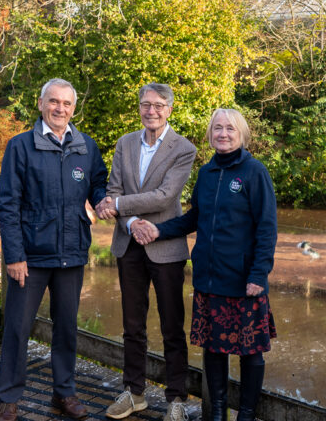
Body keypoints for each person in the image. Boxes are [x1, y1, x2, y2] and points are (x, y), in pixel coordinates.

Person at [134, 108, 277, 421]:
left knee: (251, 352)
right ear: (210, 134)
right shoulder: (207, 173)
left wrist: (258, 273)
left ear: (242, 134)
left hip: (244, 281)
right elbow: (193, 218)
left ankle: (247, 415)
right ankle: (216, 414)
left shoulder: (255, 172)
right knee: (214, 351)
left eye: (229, 129)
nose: (223, 134)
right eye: (217, 128)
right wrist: (159, 229)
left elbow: (267, 228)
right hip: (209, 279)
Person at [0, 78, 108, 421]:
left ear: (74, 109)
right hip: (31, 256)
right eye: (54, 102)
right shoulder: (21, 146)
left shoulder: (86, 147)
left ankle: (64, 394)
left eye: (67, 104)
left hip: (72, 253)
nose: (60, 109)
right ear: (41, 104)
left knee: (66, 328)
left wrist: (102, 202)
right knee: (17, 327)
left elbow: (98, 184)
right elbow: (8, 204)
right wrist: (14, 255)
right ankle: (9, 398)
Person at [95, 83, 197, 421]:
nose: (151, 111)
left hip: (165, 248)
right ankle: (134, 392)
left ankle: (176, 399)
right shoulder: (124, 143)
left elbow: (166, 196)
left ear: (170, 109)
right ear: (139, 107)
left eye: (158, 105)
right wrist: (133, 221)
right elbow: (113, 188)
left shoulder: (183, 148)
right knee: (132, 324)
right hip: (129, 243)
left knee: (172, 325)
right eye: (145, 104)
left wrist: (122, 206)